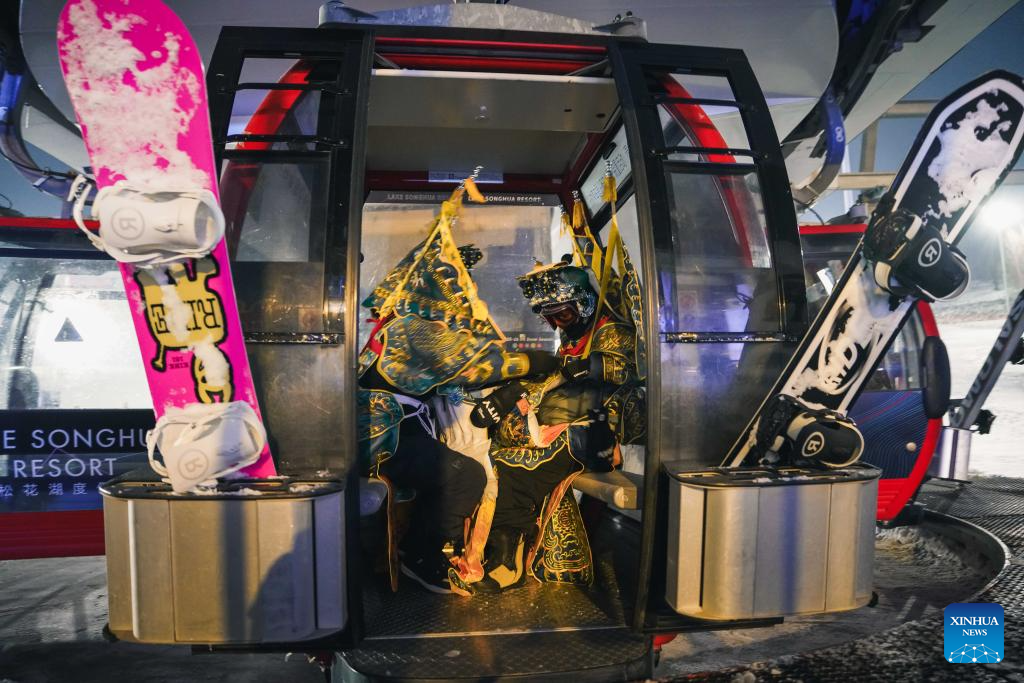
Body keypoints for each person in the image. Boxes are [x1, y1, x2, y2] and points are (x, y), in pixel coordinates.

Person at [474, 258, 646, 592]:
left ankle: (508, 562)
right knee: (495, 454)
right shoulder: (572, 338)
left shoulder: (611, 331)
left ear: (583, 304)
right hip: (566, 426)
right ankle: (502, 547)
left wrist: (589, 366)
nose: (555, 324)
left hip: (599, 433)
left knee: (514, 468)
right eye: (548, 317)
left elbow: (627, 369)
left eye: (562, 315)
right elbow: (559, 375)